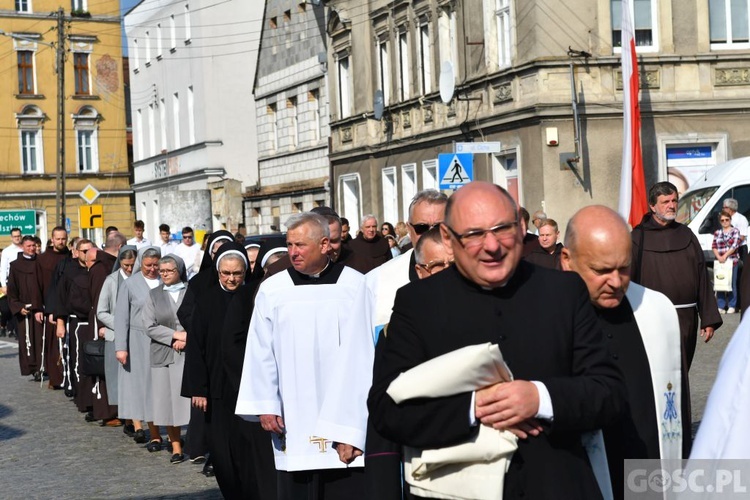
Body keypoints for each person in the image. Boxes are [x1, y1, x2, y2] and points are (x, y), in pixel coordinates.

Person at [368, 182, 625, 499]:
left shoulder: (564, 291)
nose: (492, 246)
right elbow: (385, 409)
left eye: (501, 229)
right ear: (448, 238)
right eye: (474, 234)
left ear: (520, 226)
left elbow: (610, 392)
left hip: (556, 485)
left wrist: (539, 397)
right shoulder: (417, 303)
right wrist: (474, 407)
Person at [235, 212, 373, 500]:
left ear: (324, 245)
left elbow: (366, 353)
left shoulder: (356, 285)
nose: (293, 253)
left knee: (345, 485)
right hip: (292, 410)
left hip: (344, 410)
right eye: (290, 245)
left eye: (300, 245)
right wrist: (265, 403)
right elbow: (260, 350)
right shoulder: (273, 289)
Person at [561, 205, 682, 497]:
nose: (616, 282)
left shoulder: (657, 309)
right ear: (567, 260)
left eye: (624, 268)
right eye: (602, 270)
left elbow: (677, 405)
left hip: (648, 481)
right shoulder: (543, 317)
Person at [631, 181, 722, 457]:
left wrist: (707, 316)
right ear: (652, 206)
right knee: (662, 376)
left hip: (686, 319)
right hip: (651, 320)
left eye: (674, 200)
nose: (672, 206)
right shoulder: (638, 238)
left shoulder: (687, 235)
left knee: (681, 375)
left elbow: (701, 278)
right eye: (666, 202)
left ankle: (679, 435)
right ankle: (661, 434)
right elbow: (630, 279)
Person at [184, 242, 277, 499]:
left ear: (245, 272)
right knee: (223, 449)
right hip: (216, 386)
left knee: (250, 447)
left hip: (248, 383)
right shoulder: (206, 301)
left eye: (237, 273)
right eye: (226, 273)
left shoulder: (255, 297)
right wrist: (198, 388)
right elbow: (196, 348)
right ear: (218, 272)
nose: (232, 278)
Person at [143, 254, 191, 464]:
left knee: (191, 402)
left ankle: (198, 443)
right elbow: (149, 325)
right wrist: (174, 336)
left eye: (168, 271)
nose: (164, 274)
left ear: (179, 270)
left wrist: (188, 337)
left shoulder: (192, 291)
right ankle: (176, 446)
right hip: (164, 353)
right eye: (161, 271)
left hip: (190, 353)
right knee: (169, 403)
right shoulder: (153, 295)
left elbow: (201, 318)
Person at [115, 246, 162, 447]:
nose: (152, 269)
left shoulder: (166, 280)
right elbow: (121, 317)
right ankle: (154, 433)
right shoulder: (131, 284)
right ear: (140, 264)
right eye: (148, 265)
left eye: (156, 264)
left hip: (163, 339)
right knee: (145, 386)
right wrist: (121, 347)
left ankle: (169, 429)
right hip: (138, 340)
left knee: (162, 386)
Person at [97, 245, 137, 435]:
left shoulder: (141, 280)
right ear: (119, 262)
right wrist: (121, 323)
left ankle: (136, 418)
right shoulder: (111, 281)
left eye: (132, 264)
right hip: (117, 334)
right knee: (120, 379)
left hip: (138, 335)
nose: (129, 269)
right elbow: (101, 311)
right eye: (126, 265)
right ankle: (128, 418)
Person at [54, 238, 95, 410]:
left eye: (89, 250)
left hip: (94, 322)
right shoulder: (69, 273)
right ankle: (83, 399)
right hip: (77, 322)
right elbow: (60, 299)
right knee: (78, 361)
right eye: (83, 251)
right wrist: (60, 323)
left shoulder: (97, 271)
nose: (86, 254)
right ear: (76, 252)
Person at [7, 235, 44, 379]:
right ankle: (32, 367)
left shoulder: (40, 262)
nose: (32, 248)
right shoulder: (15, 265)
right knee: (27, 341)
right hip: (24, 309)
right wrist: (17, 306)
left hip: (40, 308)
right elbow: (12, 288)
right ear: (22, 247)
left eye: (34, 246)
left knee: (40, 339)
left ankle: (42, 367)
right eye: (28, 246)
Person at [38, 227, 70, 388]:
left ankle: (68, 376)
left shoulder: (71, 256)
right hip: (49, 305)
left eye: (63, 238)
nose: (61, 241)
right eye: (58, 239)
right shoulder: (43, 259)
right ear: (52, 239)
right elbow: (37, 284)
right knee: (52, 344)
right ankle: (55, 378)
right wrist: (39, 308)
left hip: (67, 305)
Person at [712, 210, 740, 314]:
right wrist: (719, 257)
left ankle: (732, 305)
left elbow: (735, 246)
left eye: (726, 220)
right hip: (720, 262)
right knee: (720, 284)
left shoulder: (735, 231)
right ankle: (721, 306)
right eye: (722, 220)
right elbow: (714, 246)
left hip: (732, 261)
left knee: (732, 284)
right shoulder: (717, 232)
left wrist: (725, 256)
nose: (725, 222)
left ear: (730, 220)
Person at [0, 227, 23, 338]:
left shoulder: (25, 248)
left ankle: (19, 330)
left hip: (24, 281)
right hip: (12, 282)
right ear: (11, 237)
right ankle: (13, 329)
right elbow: (3, 269)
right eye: (15, 236)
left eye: (18, 236)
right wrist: (4, 285)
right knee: (11, 307)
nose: (17, 238)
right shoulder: (7, 251)